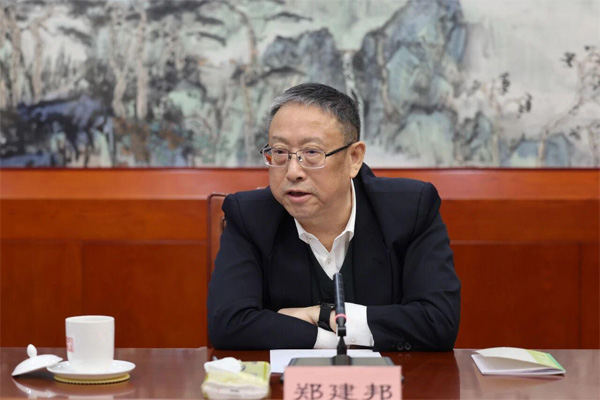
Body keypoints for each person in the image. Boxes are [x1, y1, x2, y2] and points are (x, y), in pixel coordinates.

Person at [207, 83, 460, 351]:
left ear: (354, 158)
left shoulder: (410, 209)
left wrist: (324, 315)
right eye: (279, 152)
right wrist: (329, 339)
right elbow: (228, 324)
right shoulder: (249, 216)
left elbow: (437, 322)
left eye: (311, 153)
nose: (293, 172)